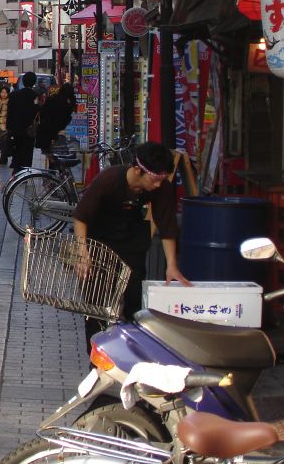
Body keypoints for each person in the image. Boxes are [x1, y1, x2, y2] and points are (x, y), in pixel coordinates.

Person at [73, 141, 191, 341]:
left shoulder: (161, 188)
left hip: (131, 241)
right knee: (96, 307)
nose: (157, 185)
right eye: (154, 180)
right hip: (99, 241)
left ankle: (131, 354)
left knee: (134, 303)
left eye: (162, 180)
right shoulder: (109, 179)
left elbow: (167, 226)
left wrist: (172, 265)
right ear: (137, 170)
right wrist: (82, 254)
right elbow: (81, 217)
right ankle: (96, 362)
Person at [7, 71, 41, 172]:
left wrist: (9, 127)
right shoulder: (35, 95)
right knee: (28, 151)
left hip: (16, 128)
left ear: (23, 81)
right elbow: (36, 111)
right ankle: (25, 172)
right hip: (29, 129)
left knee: (17, 149)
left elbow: (10, 112)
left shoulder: (14, 94)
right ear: (34, 82)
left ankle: (16, 171)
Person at [35, 83, 77, 153]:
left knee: (49, 154)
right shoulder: (68, 104)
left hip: (45, 131)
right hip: (58, 133)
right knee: (58, 154)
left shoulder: (51, 99)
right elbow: (67, 118)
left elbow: (42, 113)